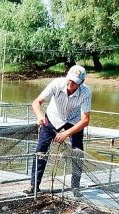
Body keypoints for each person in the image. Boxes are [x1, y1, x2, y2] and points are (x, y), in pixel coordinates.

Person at [29, 64, 91, 193]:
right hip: (53, 117)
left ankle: (75, 187)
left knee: (77, 153)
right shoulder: (57, 84)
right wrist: (40, 115)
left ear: (82, 82)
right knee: (41, 151)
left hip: (74, 121)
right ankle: (34, 186)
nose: (71, 83)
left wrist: (67, 133)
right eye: (70, 79)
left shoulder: (86, 92)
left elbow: (85, 120)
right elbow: (36, 102)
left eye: (75, 82)